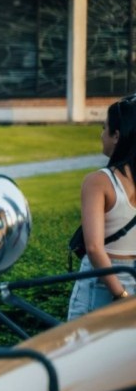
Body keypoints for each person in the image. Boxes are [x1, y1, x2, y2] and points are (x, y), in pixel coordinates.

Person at [67, 95, 136, 320]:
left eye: (104, 127)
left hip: (101, 284)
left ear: (117, 136)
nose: (101, 134)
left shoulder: (98, 181)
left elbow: (95, 248)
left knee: (83, 352)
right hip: (132, 275)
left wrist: (121, 295)